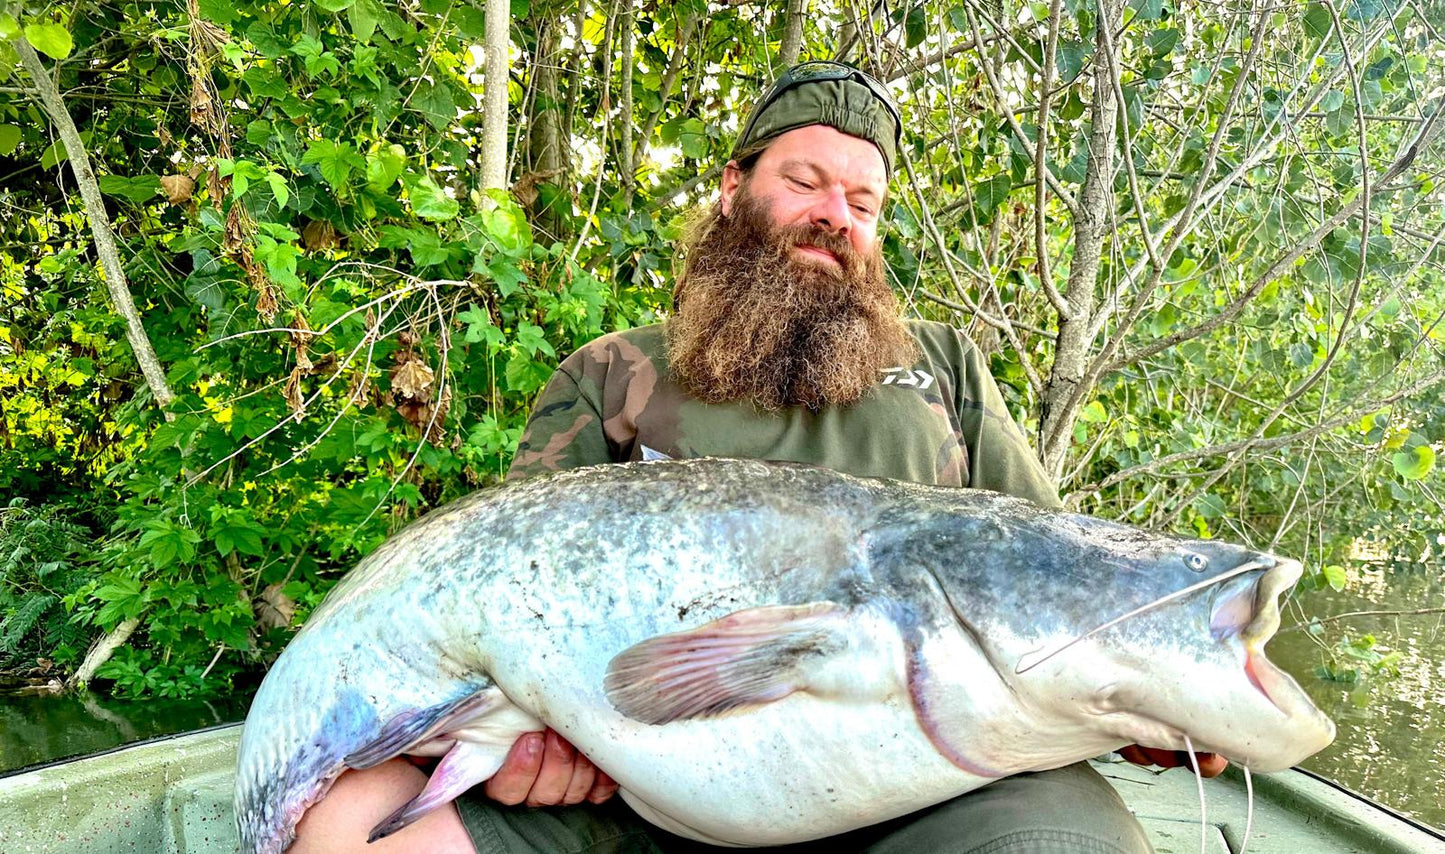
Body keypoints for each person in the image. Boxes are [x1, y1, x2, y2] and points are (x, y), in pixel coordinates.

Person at [292, 61, 1225, 854]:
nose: (834, 216)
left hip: (933, 789)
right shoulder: (613, 371)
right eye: (806, 181)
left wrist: (1152, 699)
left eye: (862, 201)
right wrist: (544, 741)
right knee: (348, 826)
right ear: (733, 189)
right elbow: (502, 602)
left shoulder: (946, 368)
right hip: (647, 788)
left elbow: (1055, 584)